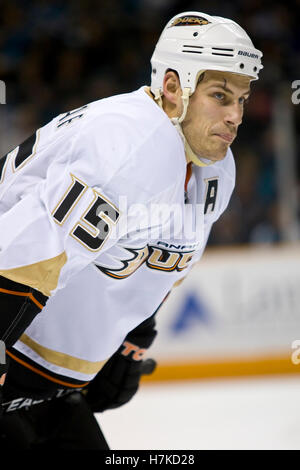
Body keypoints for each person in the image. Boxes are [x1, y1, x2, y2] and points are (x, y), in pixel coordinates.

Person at [0, 11, 263, 449]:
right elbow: (22, 257)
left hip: (44, 387)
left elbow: (159, 259)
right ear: (174, 87)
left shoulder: (213, 169)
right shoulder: (131, 143)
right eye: (220, 95)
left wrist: (134, 339)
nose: (236, 115)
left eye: (242, 99)